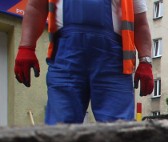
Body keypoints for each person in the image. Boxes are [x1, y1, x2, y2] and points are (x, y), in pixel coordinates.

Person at [14, 0, 154, 124]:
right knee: (60, 131)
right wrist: (26, 47)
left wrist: (146, 61)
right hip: (66, 60)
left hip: (113, 64)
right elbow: (36, 7)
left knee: (118, 131)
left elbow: (140, 23)